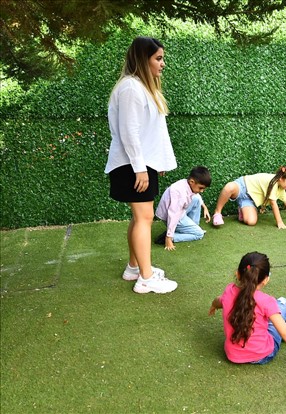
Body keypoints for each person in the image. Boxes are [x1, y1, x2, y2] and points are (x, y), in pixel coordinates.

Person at [104, 36, 178, 294]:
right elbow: (129, 132)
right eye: (158, 58)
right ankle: (146, 278)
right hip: (132, 165)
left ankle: (134, 268)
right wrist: (139, 168)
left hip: (140, 164)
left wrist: (157, 162)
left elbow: (151, 132)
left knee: (140, 217)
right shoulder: (131, 88)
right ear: (142, 60)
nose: (163, 63)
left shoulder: (141, 88)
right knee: (144, 217)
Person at [209, 252, 286, 378]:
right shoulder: (267, 301)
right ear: (266, 279)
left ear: (238, 273)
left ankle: (285, 326)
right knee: (284, 303)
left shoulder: (229, 291)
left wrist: (213, 305)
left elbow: (219, 301)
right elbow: (284, 332)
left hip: (232, 355)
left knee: (269, 319)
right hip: (262, 355)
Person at [211, 166, 286, 229]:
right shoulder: (273, 183)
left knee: (251, 221)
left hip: (249, 200)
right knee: (229, 187)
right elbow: (273, 204)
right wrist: (280, 222)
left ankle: (242, 209)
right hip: (242, 186)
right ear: (281, 178)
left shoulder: (281, 188)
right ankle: (217, 212)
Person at [154, 166, 212, 251]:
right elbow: (173, 215)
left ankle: (190, 228)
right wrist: (169, 237)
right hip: (172, 216)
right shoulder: (180, 194)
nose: (202, 191)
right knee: (199, 234)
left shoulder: (186, 183)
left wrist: (204, 207)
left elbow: (196, 196)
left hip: (180, 211)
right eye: (201, 188)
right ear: (192, 182)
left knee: (196, 199)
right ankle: (171, 236)